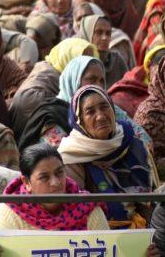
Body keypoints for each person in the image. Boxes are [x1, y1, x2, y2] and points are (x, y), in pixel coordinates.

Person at [0, 144, 110, 257]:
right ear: (27, 182)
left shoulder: (87, 208)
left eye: (59, 173)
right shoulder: (9, 213)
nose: (55, 183)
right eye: (44, 177)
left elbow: (109, 251)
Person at [58, 85, 154, 228]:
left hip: (139, 230)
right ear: (80, 121)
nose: (101, 116)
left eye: (104, 107)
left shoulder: (132, 143)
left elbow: (149, 202)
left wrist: (149, 236)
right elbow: (75, 212)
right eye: (90, 112)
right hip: (96, 235)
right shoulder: (70, 155)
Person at [10, 37, 97, 133]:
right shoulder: (39, 93)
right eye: (82, 61)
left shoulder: (53, 74)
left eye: (90, 60)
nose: (88, 66)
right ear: (67, 58)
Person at [76, 15, 128, 87]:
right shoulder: (78, 62)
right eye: (98, 32)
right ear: (88, 33)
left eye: (108, 33)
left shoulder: (117, 61)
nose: (104, 38)